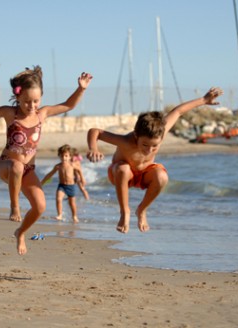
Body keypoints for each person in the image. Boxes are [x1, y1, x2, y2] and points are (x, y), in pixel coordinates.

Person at [0, 66, 92, 255]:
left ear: (41, 98)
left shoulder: (42, 114)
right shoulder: (10, 113)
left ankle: (20, 233)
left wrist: (81, 88)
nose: (31, 106)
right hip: (7, 166)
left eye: (36, 101)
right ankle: (14, 205)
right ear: (18, 97)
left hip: (28, 170)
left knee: (40, 206)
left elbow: (68, 105)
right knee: (17, 165)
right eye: (27, 101)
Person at [86, 87, 223, 234]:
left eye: (154, 146)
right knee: (123, 169)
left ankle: (142, 210)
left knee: (162, 175)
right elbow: (95, 132)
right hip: (121, 175)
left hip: (145, 174)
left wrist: (203, 100)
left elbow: (178, 111)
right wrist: (93, 148)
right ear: (137, 136)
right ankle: (125, 211)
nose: (149, 150)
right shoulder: (126, 141)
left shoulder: (160, 131)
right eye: (145, 145)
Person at [41, 144, 85, 223]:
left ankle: (74, 216)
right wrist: (42, 182)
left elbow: (79, 170)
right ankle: (60, 215)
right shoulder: (58, 166)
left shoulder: (72, 165)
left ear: (70, 156)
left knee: (72, 203)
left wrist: (82, 179)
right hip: (62, 186)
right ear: (59, 156)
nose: (64, 158)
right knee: (58, 199)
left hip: (71, 186)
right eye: (62, 156)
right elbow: (50, 175)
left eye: (66, 156)